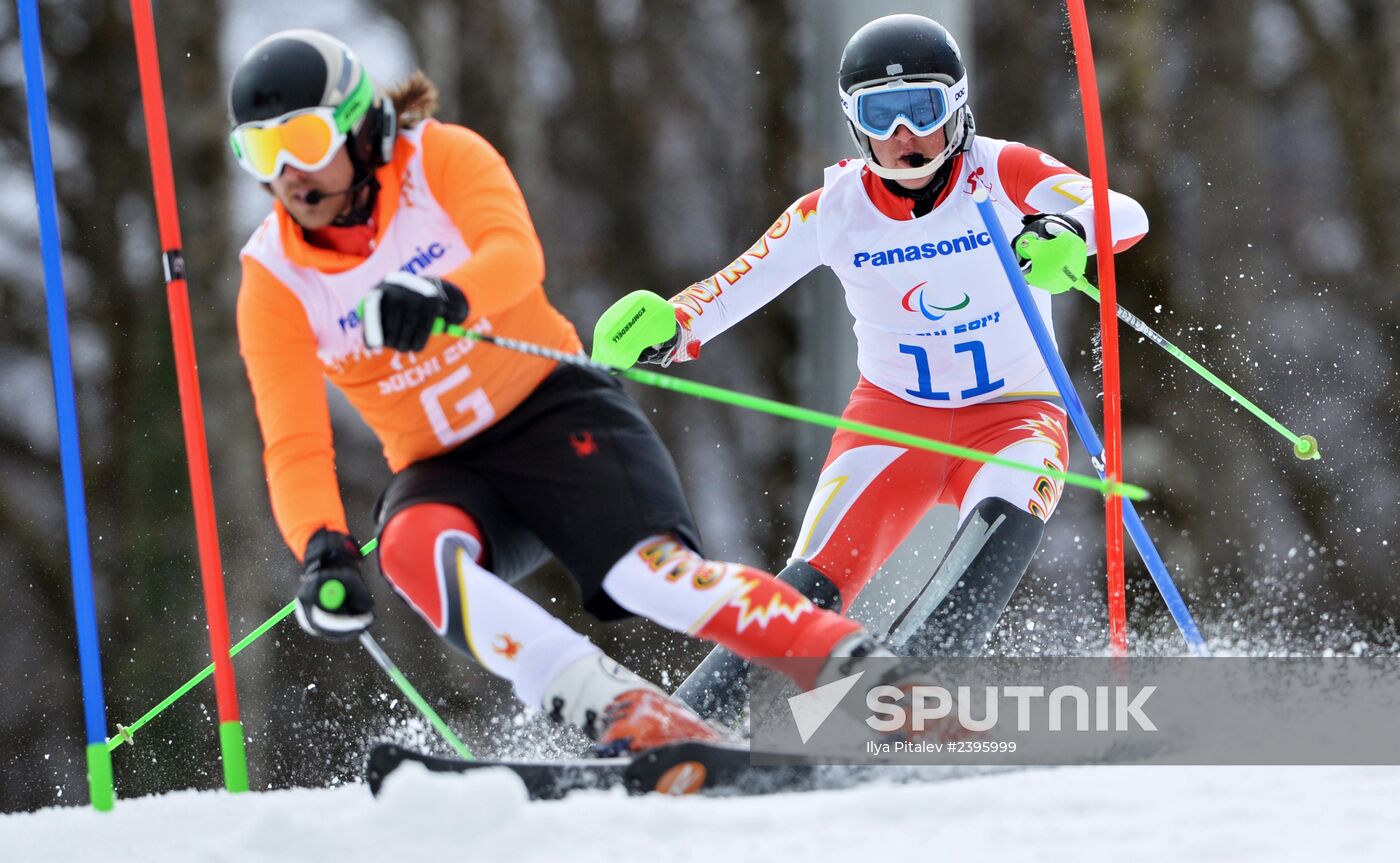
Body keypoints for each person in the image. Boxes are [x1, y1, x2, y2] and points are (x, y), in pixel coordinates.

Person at [227, 29, 895, 756]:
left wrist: (445, 296)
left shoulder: (438, 158)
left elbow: (516, 255)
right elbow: (293, 440)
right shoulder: (272, 278)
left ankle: (857, 672)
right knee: (409, 548)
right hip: (451, 473)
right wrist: (321, 548)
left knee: (651, 582)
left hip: (557, 412)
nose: (288, 171)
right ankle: (620, 710)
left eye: (302, 137)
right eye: (261, 152)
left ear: (361, 127)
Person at [600, 14, 1148, 720]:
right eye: (878, 115)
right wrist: (668, 324)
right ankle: (676, 729)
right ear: (853, 122)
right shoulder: (838, 207)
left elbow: (1122, 213)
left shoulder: (1002, 171)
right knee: (810, 584)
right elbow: (730, 287)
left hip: (1016, 417)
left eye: (921, 110)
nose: (903, 137)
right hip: (893, 425)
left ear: (956, 105)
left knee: (993, 539)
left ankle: (894, 709)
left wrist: (1066, 231)